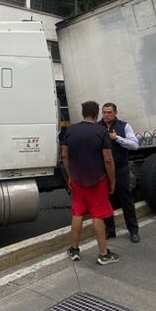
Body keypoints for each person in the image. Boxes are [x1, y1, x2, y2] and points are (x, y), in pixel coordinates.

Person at [62, 101, 119, 265]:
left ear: (83, 113)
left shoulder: (71, 130)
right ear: (96, 114)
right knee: (97, 215)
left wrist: (70, 175)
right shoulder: (101, 131)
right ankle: (103, 254)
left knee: (77, 214)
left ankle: (74, 250)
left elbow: (65, 156)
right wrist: (112, 181)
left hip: (77, 180)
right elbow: (108, 160)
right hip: (97, 181)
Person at [99, 102, 141, 243]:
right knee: (107, 201)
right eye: (104, 112)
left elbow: (134, 145)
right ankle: (110, 230)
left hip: (121, 168)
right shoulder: (98, 127)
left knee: (126, 200)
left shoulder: (124, 126)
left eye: (109, 112)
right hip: (104, 170)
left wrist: (116, 138)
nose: (106, 115)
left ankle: (133, 231)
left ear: (115, 113)